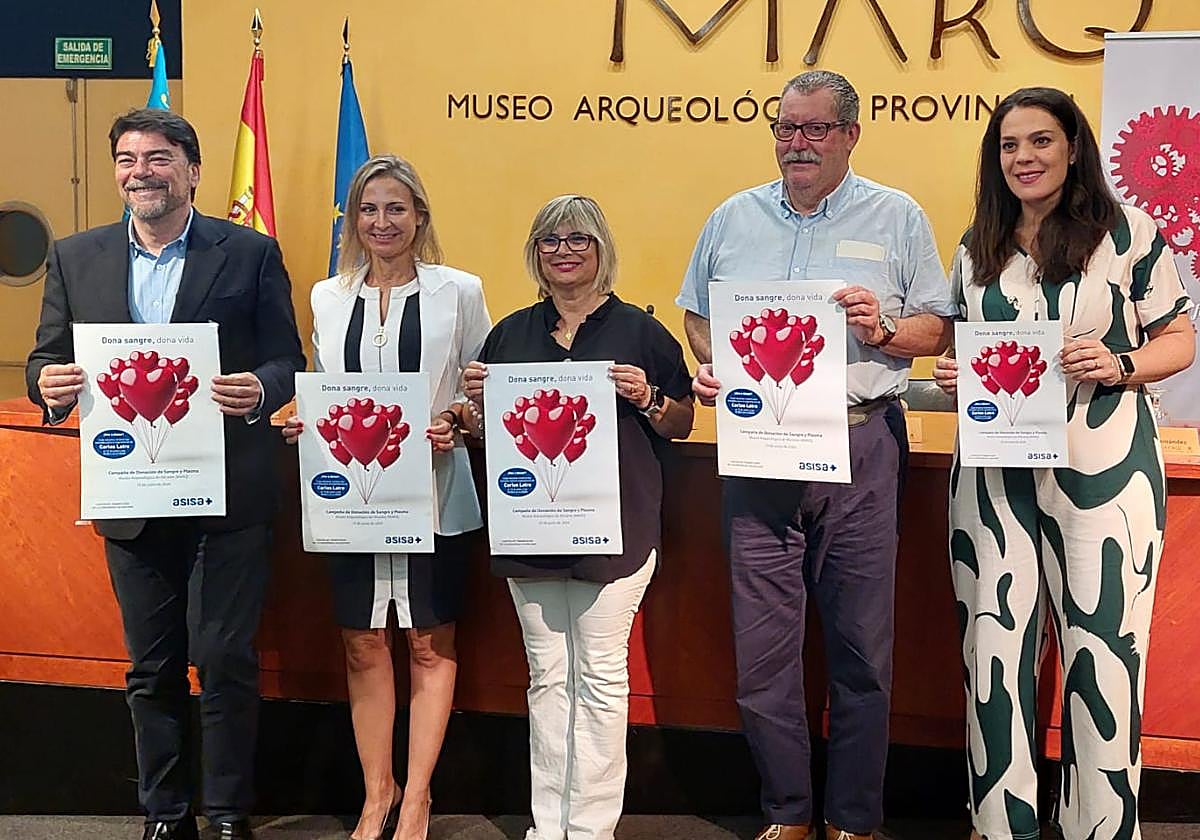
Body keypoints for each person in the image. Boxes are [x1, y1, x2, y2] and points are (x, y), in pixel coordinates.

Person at [678, 70, 957, 840]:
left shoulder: (896, 216)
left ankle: (854, 819)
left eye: (813, 129)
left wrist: (883, 330)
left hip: (861, 439)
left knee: (863, 644)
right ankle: (788, 814)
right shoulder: (732, 218)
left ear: (850, 135)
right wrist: (718, 365)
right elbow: (698, 315)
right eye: (784, 129)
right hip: (760, 446)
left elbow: (938, 330)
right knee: (763, 646)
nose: (795, 144)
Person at [25, 108, 305, 840]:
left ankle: (228, 813)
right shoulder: (74, 257)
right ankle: (164, 815)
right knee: (151, 669)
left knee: (223, 662)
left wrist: (262, 390)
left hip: (229, 497)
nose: (138, 172)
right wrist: (47, 387)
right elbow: (43, 359)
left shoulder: (249, 253)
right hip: (130, 498)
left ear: (192, 170)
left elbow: (287, 359)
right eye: (125, 159)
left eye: (156, 158)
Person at [932, 87, 1194, 840]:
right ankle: (999, 823)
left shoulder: (1129, 233)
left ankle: (1101, 828)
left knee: (1103, 653)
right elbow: (962, 346)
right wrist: (954, 371)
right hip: (991, 478)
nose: (1025, 158)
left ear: (1073, 147)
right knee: (991, 655)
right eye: (1010, 146)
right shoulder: (977, 244)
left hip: (1104, 468)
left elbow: (1180, 340)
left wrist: (1120, 363)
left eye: (1040, 141)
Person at [461, 194, 694, 840]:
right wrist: (475, 407)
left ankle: (589, 829)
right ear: (535, 254)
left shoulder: (641, 331)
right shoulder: (509, 334)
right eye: (549, 241)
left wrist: (647, 396)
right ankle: (547, 827)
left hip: (616, 538)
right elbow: (485, 437)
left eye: (578, 239)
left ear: (601, 249)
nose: (563, 250)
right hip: (531, 532)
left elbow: (681, 420)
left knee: (598, 675)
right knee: (547, 679)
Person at [282, 155, 490, 840]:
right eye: (369, 209)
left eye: (396, 208)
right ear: (354, 218)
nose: (382, 222)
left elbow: (482, 387)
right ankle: (378, 795)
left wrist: (456, 419)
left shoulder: (459, 291)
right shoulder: (326, 295)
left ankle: (419, 799)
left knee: (430, 642)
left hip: (435, 491)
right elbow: (321, 389)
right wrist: (298, 417)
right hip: (352, 498)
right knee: (362, 642)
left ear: (419, 216)